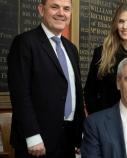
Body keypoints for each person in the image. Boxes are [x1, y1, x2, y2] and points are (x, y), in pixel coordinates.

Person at [7, 0, 85, 157]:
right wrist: (32, 136)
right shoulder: (24, 43)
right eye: (55, 7)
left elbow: (76, 93)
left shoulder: (71, 49)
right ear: (41, 10)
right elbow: (20, 94)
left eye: (66, 9)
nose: (61, 13)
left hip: (68, 139)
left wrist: (80, 135)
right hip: (38, 142)